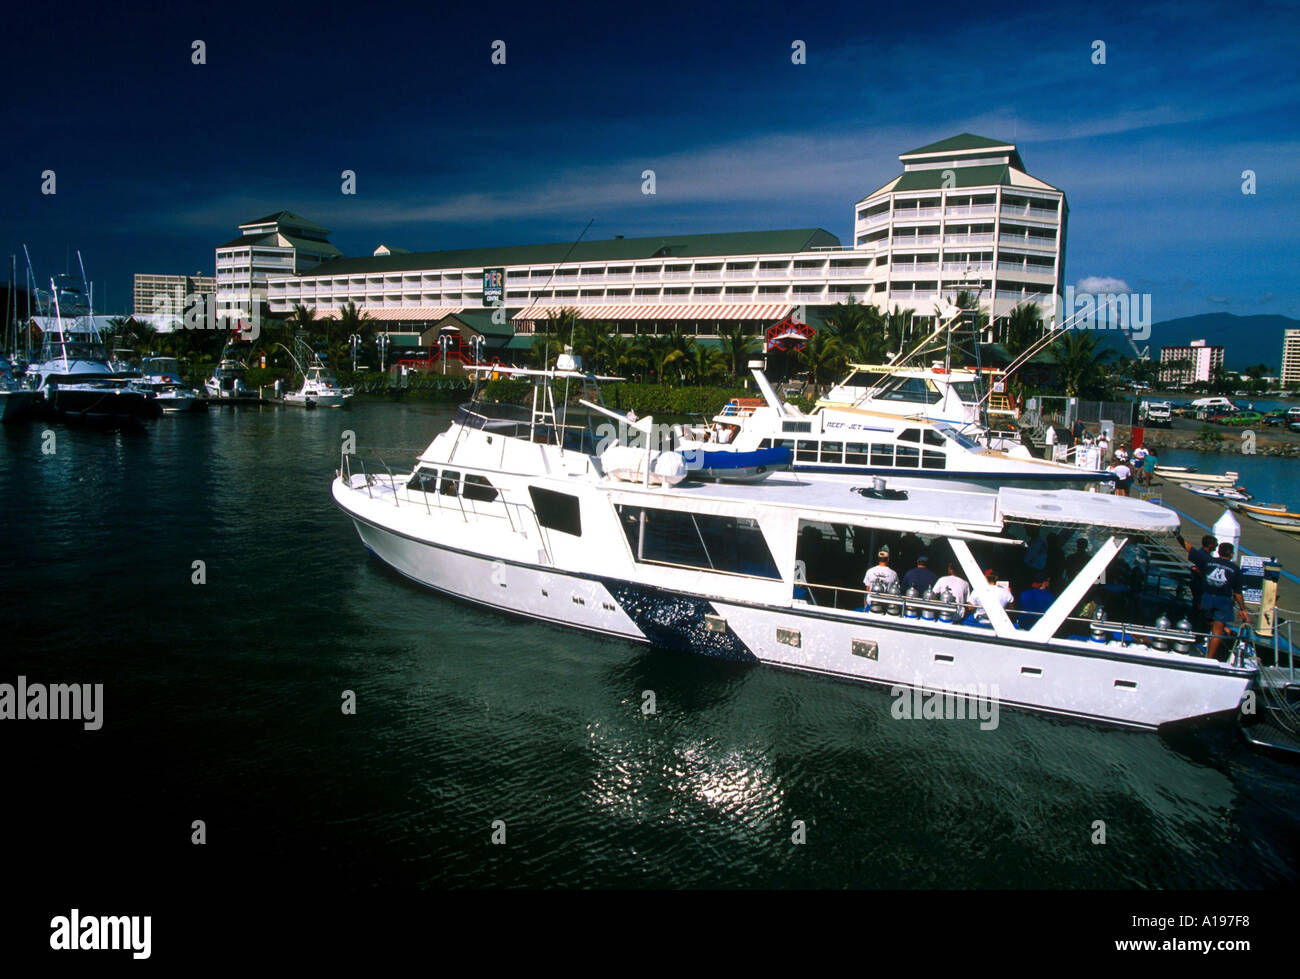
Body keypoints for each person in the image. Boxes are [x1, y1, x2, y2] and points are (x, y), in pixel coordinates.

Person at [1200, 542, 1250, 661]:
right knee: (1217, 631)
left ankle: (1220, 630)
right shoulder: (1235, 569)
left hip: (1207, 597)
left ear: (1218, 552)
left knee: (1204, 619)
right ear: (1231, 554)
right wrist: (1243, 609)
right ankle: (1209, 659)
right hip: (1223, 600)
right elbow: (1237, 593)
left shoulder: (1208, 562)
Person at [1179, 532, 1217, 626]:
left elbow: (1188, 548)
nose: (1217, 546)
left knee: (1196, 604)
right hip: (1200, 586)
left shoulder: (1200, 554)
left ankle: (1196, 621)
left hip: (1196, 585)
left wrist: (1178, 536)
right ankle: (1199, 623)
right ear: (1210, 545)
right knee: (1200, 607)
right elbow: (1188, 547)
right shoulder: (1206, 557)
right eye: (1216, 544)